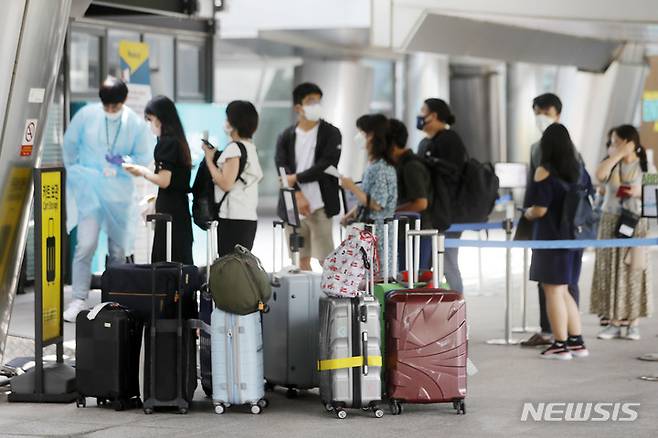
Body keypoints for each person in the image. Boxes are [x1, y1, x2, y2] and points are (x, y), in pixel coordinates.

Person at [62, 77, 152, 322]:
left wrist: (124, 163)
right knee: (86, 244)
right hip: (90, 193)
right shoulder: (86, 116)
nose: (111, 110)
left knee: (118, 249)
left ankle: (114, 299)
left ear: (123, 102)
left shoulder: (134, 123)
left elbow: (143, 157)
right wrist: (78, 174)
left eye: (115, 106)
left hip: (119, 194)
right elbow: (69, 147)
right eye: (107, 106)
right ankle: (79, 298)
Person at [523, 123, 590, 360]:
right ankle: (576, 341)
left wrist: (528, 213)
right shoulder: (580, 170)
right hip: (575, 238)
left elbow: (539, 209)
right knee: (564, 290)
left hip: (551, 238)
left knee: (553, 291)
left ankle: (560, 344)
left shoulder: (544, 171)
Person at [591, 124, 652, 341]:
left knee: (633, 272)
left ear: (631, 143)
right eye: (612, 143)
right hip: (610, 222)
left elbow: (653, 204)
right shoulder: (611, 166)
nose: (613, 146)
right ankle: (613, 322)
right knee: (610, 271)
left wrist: (639, 194)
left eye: (618, 142)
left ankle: (633, 323)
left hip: (636, 224)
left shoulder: (647, 168)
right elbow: (599, 175)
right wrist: (616, 155)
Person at [275, 82, 342, 270]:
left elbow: (326, 164)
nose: (316, 105)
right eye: (311, 101)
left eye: (318, 101)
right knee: (299, 259)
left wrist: (296, 178)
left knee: (326, 259)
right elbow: (281, 166)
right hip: (292, 206)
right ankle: (307, 298)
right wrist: (296, 193)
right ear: (298, 107)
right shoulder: (286, 135)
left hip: (320, 205)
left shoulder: (331, 133)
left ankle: (330, 296)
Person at [124, 95, 193, 265]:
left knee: (165, 261)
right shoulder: (178, 142)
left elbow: (164, 181)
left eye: (150, 119)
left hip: (169, 212)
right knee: (180, 260)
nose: (149, 124)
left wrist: (142, 171)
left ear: (161, 119)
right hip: (180, 210)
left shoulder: (166, 144)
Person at [416, 98, 465, 292]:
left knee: (447, 263)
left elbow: (454, 173)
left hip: (447, 213)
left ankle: (459, 311)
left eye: (422, 110)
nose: (419, 115)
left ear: (433, 115)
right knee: (430, 266)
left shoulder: (449, 139)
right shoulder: (425, 143)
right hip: (432, 213)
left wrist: (431, 162)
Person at [202, 100, 263, 256]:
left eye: (227, 118)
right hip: (247, 217)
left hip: (232, 218)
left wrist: (209, 159)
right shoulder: (250, 147)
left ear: (234, 122)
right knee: (240, 267)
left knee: (230, 267)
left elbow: (226, 183)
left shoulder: (234, 148)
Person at [340, 114, 397, 274]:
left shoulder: (380, 167)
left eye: (362, 132)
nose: (359, 137)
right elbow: (367, 199)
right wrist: (352, 214)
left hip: (379, 233)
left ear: (371, 135)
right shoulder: (375, 165)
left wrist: (351, 187)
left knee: (377, 278)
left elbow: (378, 203)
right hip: (371, 232)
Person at [388, 118, 433, 272]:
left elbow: (421, 203)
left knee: (415, 282)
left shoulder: (411, 166)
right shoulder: (399, 165)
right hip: (407, 232)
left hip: (417, 233)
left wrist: (391, 212)